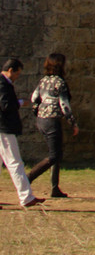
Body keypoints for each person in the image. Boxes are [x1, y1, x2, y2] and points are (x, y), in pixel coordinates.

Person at [27, 52, 79, 199]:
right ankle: (28, 178)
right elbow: (64, 104)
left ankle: (55, 188)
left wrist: (37, 112)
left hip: (41, 120)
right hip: (52, 120)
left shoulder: (43, 81)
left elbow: (34, 98)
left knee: (56, 153)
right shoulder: (60, 82)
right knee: (54, 155)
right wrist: (73, 123)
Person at [0, 57, 43, 207]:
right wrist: (19, 102)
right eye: (17, 74)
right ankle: (26, 197)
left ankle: (26, 196)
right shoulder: (2, 84)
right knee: (14, 162)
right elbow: (5, 105)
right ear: (11, 70)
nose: (18, 77)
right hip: (3, 128)